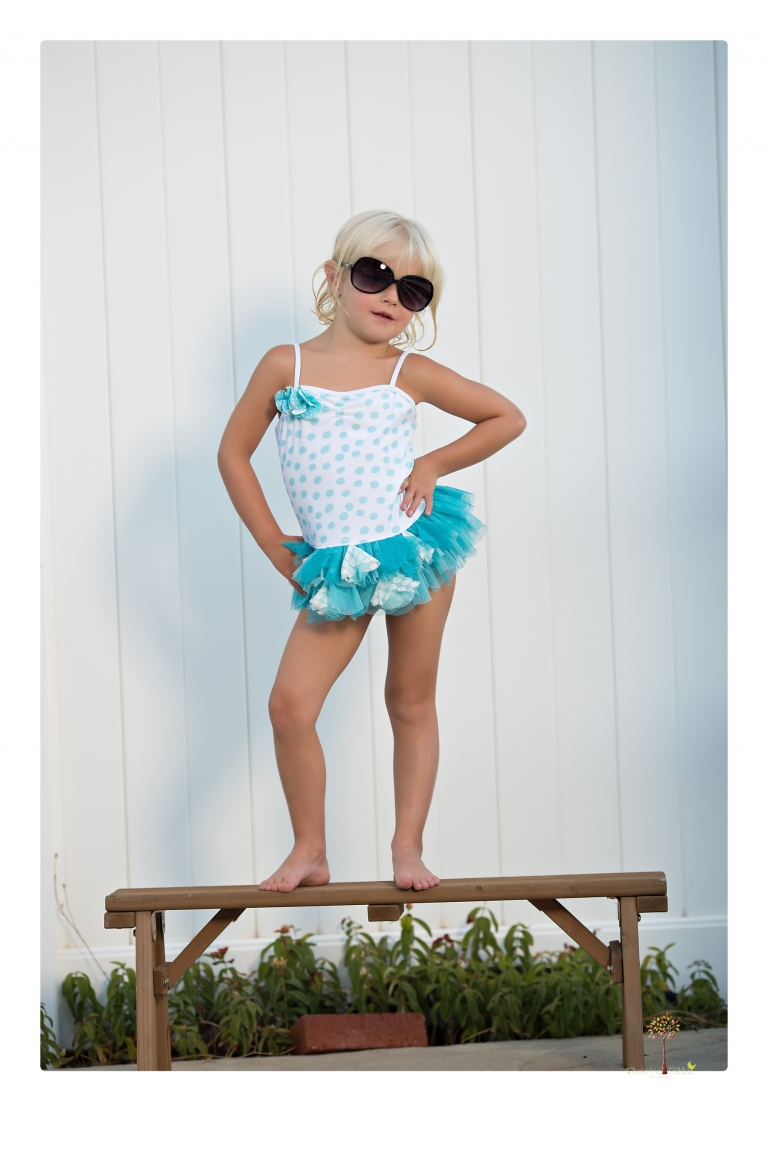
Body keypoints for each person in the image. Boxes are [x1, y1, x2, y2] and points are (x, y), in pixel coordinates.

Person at [218, 210, 526, 893]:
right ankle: (310, 849)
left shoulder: (407, 371)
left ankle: (407, 849)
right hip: (340, 562)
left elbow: (506, 416)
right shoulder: (285, 364)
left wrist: (434, 464)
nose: (391, 296)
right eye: (374, 275)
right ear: (334, 277)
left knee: (410, 699)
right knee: (289, 706)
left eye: (412, 290)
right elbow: (232, 454)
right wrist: (274, 545)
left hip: (414, 545)